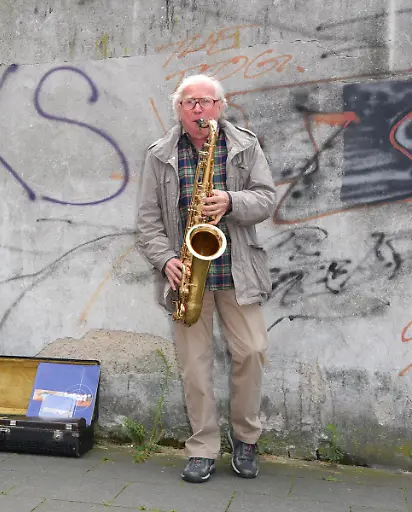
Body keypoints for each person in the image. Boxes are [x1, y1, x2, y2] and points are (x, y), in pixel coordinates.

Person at [135, 74, 275, 483]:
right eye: (190, 102)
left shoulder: (245, 145)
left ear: (220, 107)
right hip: (186, 274)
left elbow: (266, 198)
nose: (198, 109)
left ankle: (246, 439)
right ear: (177, 109)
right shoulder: (159, 154)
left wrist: (231, 200)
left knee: (251, 351)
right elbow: (147, 222)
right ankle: (202, 447)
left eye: (206, 102)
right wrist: (165, 261)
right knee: (194, 367)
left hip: (236, 270)